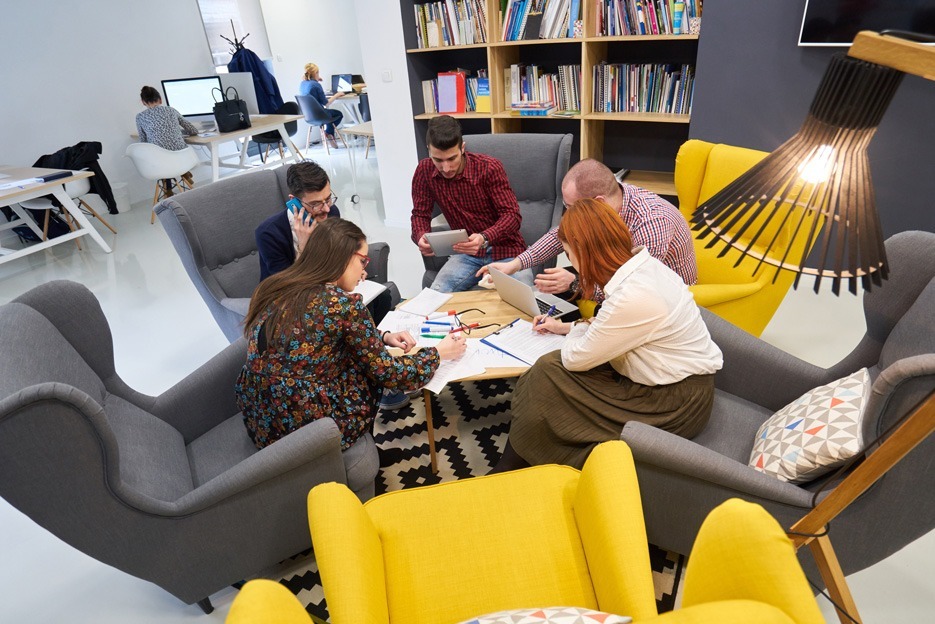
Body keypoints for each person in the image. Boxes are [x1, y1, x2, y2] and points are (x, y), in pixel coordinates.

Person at [491, 199, 722, 473]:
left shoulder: (634, 295)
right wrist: (565, 328)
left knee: (549, 371)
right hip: (662, 381)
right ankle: (521, 456)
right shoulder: (642, 267)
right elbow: (614, 326)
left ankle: (518, 463)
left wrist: (576, 330)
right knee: (548, 372)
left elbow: (576, 358)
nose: (571, 263)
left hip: (673, 402)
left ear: (582, 251)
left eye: (568, 253)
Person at [237, 218, 467, 451]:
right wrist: (437, 353)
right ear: (343, 258)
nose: (365, 271)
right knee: (368, 371)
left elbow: (318, 335)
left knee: (354, 356)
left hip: (262, 419)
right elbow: (391, 374)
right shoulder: (343, 305)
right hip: (309, 429)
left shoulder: (277, 287)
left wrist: (384, 336)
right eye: (362, 261)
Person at [254, 161, 409, 411]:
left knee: (382, 296)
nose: (326, 209)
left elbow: (339, 257)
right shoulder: (270, 233)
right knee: (352, 312)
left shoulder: (331, 213)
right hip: (290, 303)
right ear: (293, 201)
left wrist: (354, 269)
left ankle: (379, 365)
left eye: (328, 198)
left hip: (327, 293)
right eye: (316, 204)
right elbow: (288, 287)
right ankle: (377, 373)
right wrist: (306, 248)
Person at [479, 159, 697, 306]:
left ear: (598, 202)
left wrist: (576, 283)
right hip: (618, 276)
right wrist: (514, 264)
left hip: (661, 298)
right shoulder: (610, 203)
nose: (569, 214)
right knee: (548, 288)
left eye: (571, 207)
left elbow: (630, 291)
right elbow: (559, 235)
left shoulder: (651, 224)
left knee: (563, 287)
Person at [411, 115, 532, 293]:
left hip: (507, 251)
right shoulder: (424, 170)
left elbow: (512, 216)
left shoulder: (489, 168)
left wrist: (485, 237)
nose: (446, 168)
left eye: (452, 159)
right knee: (435, 295)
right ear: (429, 151)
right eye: (438, 160)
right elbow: (420, 214)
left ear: (462, 148)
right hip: (467, 254)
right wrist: (421, 236)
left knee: (523, 298)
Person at [135, 85, 197, 194]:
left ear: (143, 102)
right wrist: (180, 132)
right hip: (183, 157)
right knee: (173, 151)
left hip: (161, 162)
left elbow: (143, 142)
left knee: (161, 154)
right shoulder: (171, 110)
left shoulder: (140, 117)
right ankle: (185, 173)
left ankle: (168, 190)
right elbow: (192, 129)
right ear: (160, 99)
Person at [299, 63, 344, 149]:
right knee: (338, 114)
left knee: (329, 114)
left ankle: (329, 133)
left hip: (308, 116)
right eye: (318, 73)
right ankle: (328, 132)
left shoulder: (303, 83)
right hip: (319, 115)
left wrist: (316, 80)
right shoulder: (316, 85)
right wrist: (337, 95)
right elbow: (326, 103)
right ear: (315, 73)